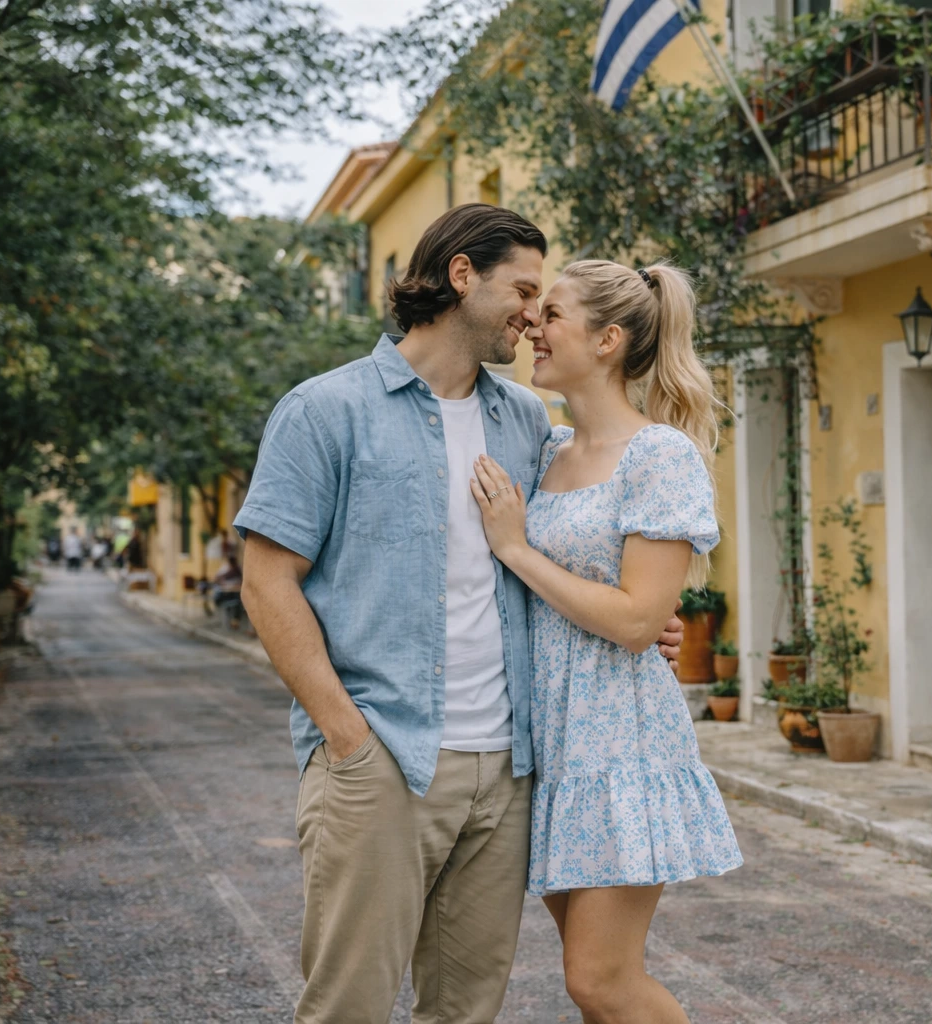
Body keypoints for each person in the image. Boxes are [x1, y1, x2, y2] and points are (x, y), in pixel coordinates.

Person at [232, 204, 685, 1024]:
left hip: (509, 772)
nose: (530, 316)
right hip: (383, 757)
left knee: (467, 1010)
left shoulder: (526, 424)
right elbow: (266, 583)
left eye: (545, 303)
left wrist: (645, 616)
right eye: (523, 291)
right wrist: (347, 737)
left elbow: (575, 548)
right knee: (348, 1008)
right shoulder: (325, 411)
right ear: (461, 275)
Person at [472, 259, 742, 1023]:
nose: (533, 325)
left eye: (551, 312)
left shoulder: (660, 455)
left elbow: (632, 620)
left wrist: (517, 549)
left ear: (609, 340)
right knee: (590, 985)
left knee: (601, 980)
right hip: (551, 742)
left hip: (620, 741)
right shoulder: (547, 448)